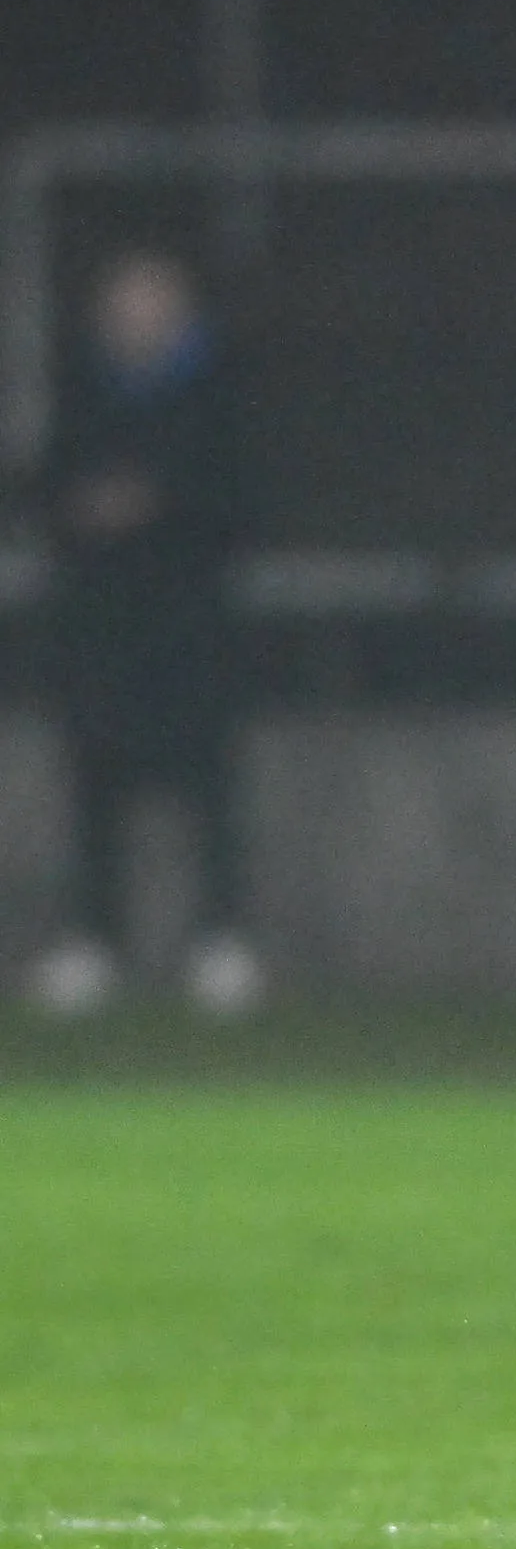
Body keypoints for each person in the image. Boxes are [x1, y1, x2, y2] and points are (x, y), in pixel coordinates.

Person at [26, 249, 261, 1019]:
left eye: (151, 300)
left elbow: (238, 495)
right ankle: (95, 942)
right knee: (95, 780)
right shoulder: (84, 390)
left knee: (209, 781)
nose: (136, 316)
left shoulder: (216, 390)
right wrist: (83, 509)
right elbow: (47, 485)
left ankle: (221, 942)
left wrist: (156, 503)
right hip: (102, 625)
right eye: (123, 301)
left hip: (190, 623)